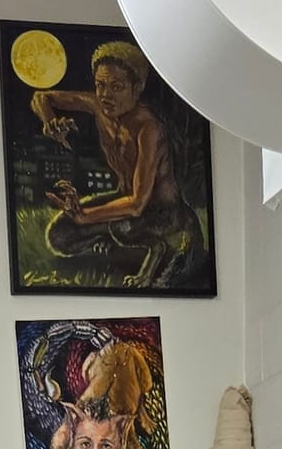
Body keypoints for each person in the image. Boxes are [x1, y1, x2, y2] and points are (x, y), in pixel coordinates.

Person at [27, 40, 206, 289]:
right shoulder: (98, 106)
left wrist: (85, 216)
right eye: (100, 85)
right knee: (59, 235)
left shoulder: (149, 129)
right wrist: (50, 121)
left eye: (117, 87)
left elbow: (137, 203)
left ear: (137, 88)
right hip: (125, 201)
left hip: (161, 212)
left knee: (123, 226)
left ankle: (155, 250)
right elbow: (41, 97)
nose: (105, 95)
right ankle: (114, 243)